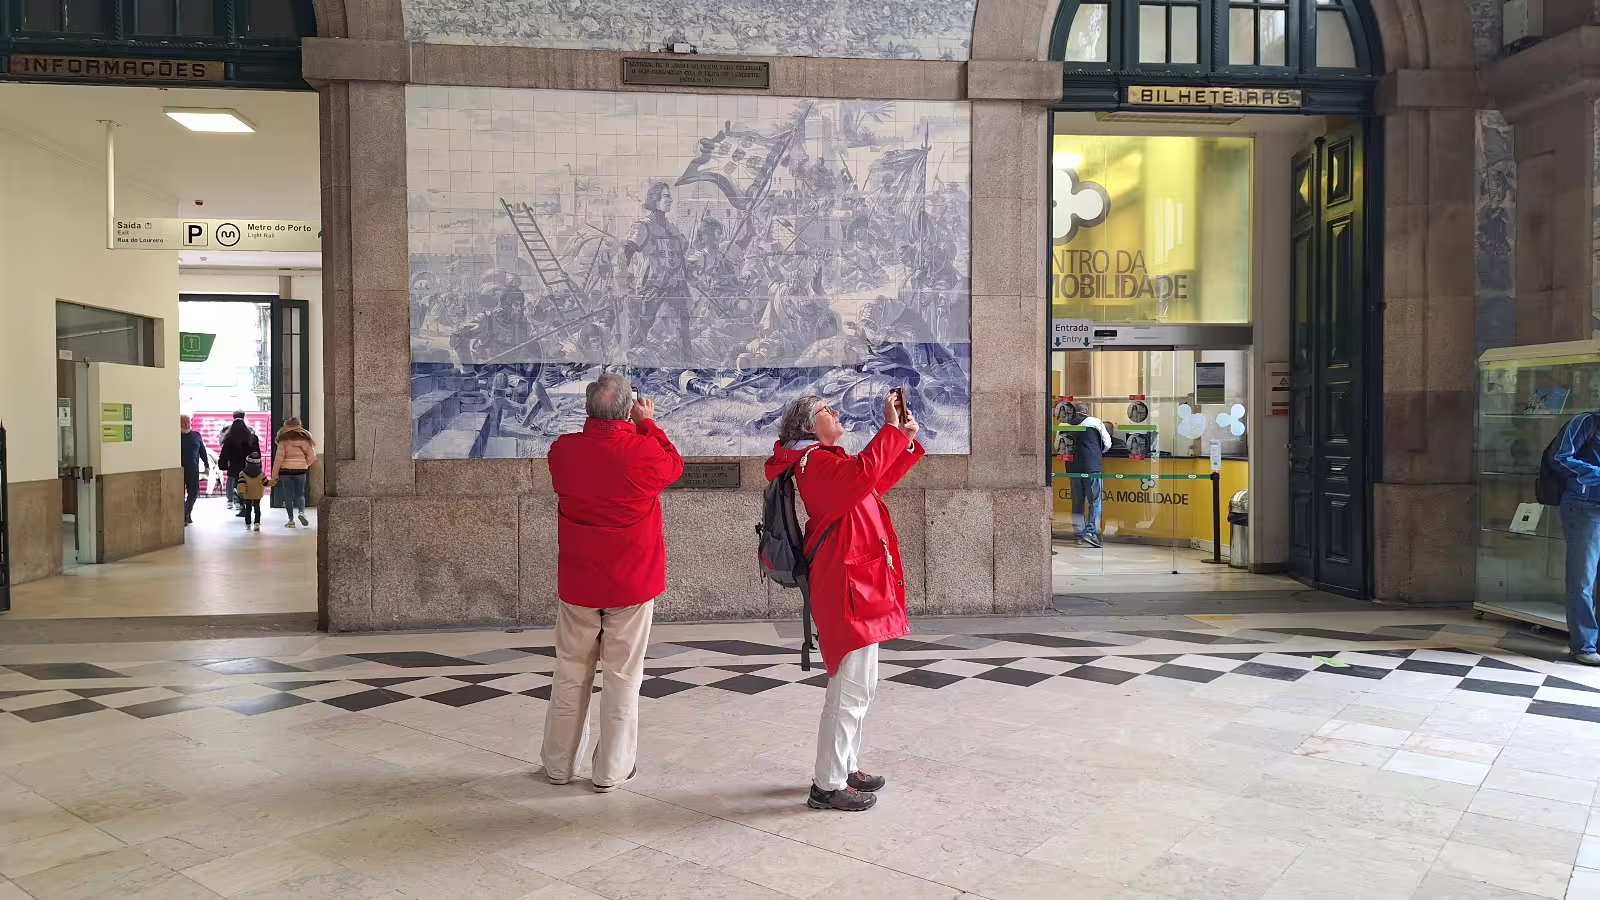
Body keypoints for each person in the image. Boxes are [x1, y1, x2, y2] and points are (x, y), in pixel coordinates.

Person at [765, 389, 923, 812]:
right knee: (850, 688)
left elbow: (872, 483)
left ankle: (846, 767)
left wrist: (902, 440)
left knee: (859, 685)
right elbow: (860, 479)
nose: (835, 412)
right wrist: (888, 430)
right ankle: (828, 784)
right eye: (824, 411)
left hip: (856, 582)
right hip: (846, 585)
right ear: (807, 427)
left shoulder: (826, 462)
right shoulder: (813, 462)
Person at [542, 373, 684, 791]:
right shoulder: (642, 451)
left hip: (580, 582)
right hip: (632, 583)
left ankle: (557, 767)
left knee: (570, 673)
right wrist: (648, 424)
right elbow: (674, 467)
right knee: (623, 678)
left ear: (587, 408)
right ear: (627, 409)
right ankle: (612, 770)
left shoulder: (562, 452)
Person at [1552, 411, 1600, 665]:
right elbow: (1560, 457)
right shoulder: (1585, 422)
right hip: (1584, 506)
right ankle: (1583, 646)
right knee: (1583, 578)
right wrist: (1597, 474)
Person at [1063, 402, 1112, 549]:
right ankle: (1090, 532)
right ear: (1087, 411)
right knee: (1095, 501)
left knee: (1077, 502)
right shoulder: (1095, 422)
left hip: (1073, 468)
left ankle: (1078, 534)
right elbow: (1107, 443)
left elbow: (1057, 446)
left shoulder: (1064, 425)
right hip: (1092, 468)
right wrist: (1095, 452)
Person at [271, 419, 317, 529]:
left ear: (286, 426)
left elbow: (278, 459)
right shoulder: (306, 439)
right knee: (300, 493)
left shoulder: (283, 440)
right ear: (299, 425)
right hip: (301, 471)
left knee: (288, 495)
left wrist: (274, 474)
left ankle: (291, 520)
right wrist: (305, 464)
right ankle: (301, 512)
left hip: (286, 471)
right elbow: (312, 456)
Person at [217, 417, 261, 518]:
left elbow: (224, 455)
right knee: (250, 487)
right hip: (250, 467)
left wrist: (222, 465)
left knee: (239, 487)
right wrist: (259, 466)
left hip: (236, 468)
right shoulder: (252, 438)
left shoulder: (229, 439)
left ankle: (243, 508)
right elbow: (257, 453)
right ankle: (252, 505)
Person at [178, 415, 209, 526]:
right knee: (179, 494)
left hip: (193, 469)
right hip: (178, 470)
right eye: (183, 422)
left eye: (187, 422)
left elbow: (203, 452)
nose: (186, 424)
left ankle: (186, 513)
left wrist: (207, 465)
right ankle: (185, 515)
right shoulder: (175, 437)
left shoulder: (196, 435)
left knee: (193, 493)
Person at [234, 452, 268, 532]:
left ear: (247, 463)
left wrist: (241, 493)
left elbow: (241, 484)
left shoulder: (243, 473)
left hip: (247, 494)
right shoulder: (261, 474)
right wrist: (274, 481)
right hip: (257, 494)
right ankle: (257, 523)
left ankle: (248, 524)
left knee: (248, 509)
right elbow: (266, 483)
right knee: (257, 508)